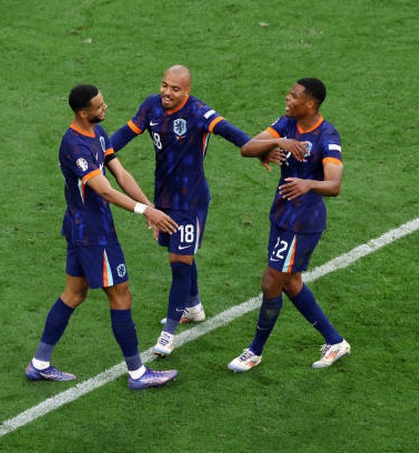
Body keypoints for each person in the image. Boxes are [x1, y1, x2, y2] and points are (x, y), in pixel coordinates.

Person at [25, 84, 178, 390]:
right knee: (121, 295)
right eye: (99, 105)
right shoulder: (74, 147)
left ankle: (39, 363)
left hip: (83, 227)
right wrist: (144, 213)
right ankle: (137, 372)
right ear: (83, 112)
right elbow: (104, 190)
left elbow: (121, 175)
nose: (105, 108)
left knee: (75, 294)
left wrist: (150, 207)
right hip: (93, 234)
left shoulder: (98, 133)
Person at [110, 65, 251, 357]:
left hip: (191, 201)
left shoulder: (198, 112)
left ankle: (168, 333)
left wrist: (261, 147)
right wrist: (96, 151)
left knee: (179, 261)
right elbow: (125, 133)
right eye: (164, 85)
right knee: (180, 255)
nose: (167, 92)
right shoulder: (151, 106)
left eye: (175, 89)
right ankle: (193, 306)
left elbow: (230, 132)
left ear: (187, 91)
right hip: (164, 198)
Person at [227, 78, 351, 372]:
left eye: (294, 96)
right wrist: (275, 143)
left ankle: (254, 351)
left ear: (310, 103)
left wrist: (308, 184)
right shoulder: (286, 123)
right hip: (281, 215)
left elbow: (334, 185)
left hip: (303, 222)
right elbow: (247, 147)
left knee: (272, 281)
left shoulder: (327, 136)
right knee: (291, 282)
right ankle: (334, 341)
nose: (287, 98)